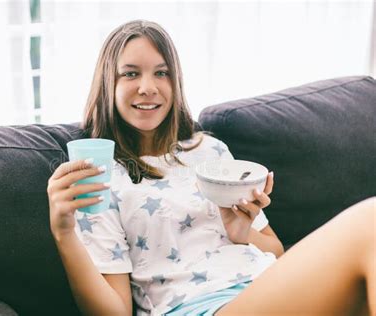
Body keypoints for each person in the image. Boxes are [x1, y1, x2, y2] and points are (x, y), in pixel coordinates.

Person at [47, 20, 375, 315]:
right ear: (108, 84)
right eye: (131, 73)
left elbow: (274, 248)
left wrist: (242, 233)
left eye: (161, 73)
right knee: (370, 220)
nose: (148, 87)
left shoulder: (210, 150)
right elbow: (114, 312)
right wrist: (64, 233)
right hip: (200, 306)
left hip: (265, 287)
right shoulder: (100, 176)